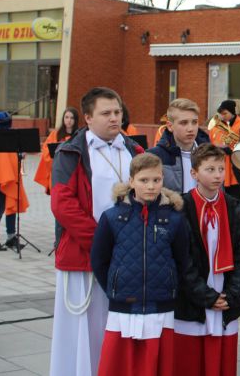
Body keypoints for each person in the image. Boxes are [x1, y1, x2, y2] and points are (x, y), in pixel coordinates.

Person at [50, 87, 144, 376]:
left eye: (117, 112)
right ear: (88, 118)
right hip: (84, 255)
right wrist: (102, 243)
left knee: (116, 328)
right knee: (83, 331)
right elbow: (63, 205)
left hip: (125, 256)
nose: (114, 118)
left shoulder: (135, 150)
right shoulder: (70, 152)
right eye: (106, 113)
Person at [90, 153, 191, 376]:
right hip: (123, 306)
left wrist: (172, 287)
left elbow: (183, 259)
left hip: (160, 305)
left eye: (156, 180)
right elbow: (99, 259)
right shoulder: (112, 217)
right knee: (120, 366)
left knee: (155, 365)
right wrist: (114, 286)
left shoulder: (174, 219)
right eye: (144, 180)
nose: (151, 186)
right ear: (131, 180)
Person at [174, 144, 240, 376]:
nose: (218, 175)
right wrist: (206, 297)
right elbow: (182, 260)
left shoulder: (234, 207)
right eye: (210, 169)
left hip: (225, 295)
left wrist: (231, 295)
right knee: (189, 363)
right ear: (194, 173)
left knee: (221, 363)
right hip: (193, 300)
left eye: (220, 168)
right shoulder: (181, 208)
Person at [148, 98, 210, 193]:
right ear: (170, 126)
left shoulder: (210, 154)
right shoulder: (153, 157)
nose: (190, 128)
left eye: (194, 122)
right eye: (184, 123)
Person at [0, 110, 28, 251]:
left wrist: (20, 155)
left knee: (10, 205)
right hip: (1, 177)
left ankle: (11, 237)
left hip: (10, 176)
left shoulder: (12, 136)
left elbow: (14, 155)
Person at [35, 106, 80, 195]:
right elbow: (46, 151)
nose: (69, 120)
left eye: (72, 118)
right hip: (58, 171)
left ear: (76, 120)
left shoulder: (79, 135)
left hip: (74, 172)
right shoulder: (55, 134)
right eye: (66, 117)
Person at [209, 99, 240, 196]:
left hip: (236, 168)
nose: (222, 116)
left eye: (225, 113)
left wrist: (229, 149)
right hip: (220, 166)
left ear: (232, 112)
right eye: (221, 114)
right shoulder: (217, 126)